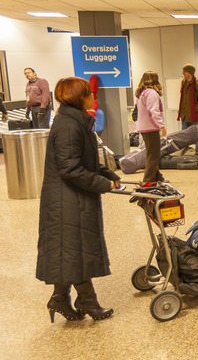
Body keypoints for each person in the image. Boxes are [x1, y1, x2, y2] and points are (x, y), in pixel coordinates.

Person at [36, 77, 121, 323]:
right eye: (88, 94)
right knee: (74, 250)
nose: (91, 97)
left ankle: (60, 298)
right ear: (78, 97)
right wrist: (103, 184)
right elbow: (69, 168)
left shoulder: (75, 121)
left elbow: (85, 161)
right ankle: (87, 301)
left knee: (69, 250)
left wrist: (108, 174)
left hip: (70, 197)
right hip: (66, 199)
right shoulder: (68, 126)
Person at [135, 71, 167, 183]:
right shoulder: (151, 93)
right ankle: (148, 180)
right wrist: (161, 126)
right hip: (150, 128)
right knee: (153, 155)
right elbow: (153, 111)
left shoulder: (142, 93)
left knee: (152, 153)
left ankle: (158, 177)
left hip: (144, 128)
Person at [177, 64, 198, 157]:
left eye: (185, 71)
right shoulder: (183, 83)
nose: (183, 73)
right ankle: (185, 152)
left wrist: (195, 109)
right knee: (184, 136)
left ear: (190, 73)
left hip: (196, 115)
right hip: (185, 115)